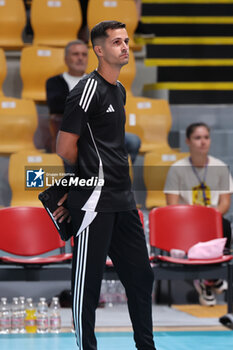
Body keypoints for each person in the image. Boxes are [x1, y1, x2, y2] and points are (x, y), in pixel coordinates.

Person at [54, 21, 157, 350]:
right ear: (99, 50)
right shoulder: (87, 89)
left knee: (141, 278)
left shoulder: (120, 90)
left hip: (124, 202)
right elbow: (64, 147)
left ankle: (146, 346)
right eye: (116, 42)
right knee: (87, 289)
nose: (125, 46)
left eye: (126, 41)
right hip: (93, 204)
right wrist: (82, 182)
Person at [164, 122, 233, 306]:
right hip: (186, 223)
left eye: (206, 137)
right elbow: (171, 204)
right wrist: (194, 221)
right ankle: (208, 281)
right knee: (190, 232)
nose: (203, 142)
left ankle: (208, 280)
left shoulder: (220, 167)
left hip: (213, 222)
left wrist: (206, 221)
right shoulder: (177, 168)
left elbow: (225, 202)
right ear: (188, 141)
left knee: (225, 225)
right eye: (197, 137)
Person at [46, 40, 141, 162]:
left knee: (133, 141)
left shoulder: (99, 80)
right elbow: (56, 106)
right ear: (66, 59)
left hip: (102, 130)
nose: (80, 58)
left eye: (84, 55)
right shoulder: (54, 82)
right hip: (73, 130)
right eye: (75, 54)